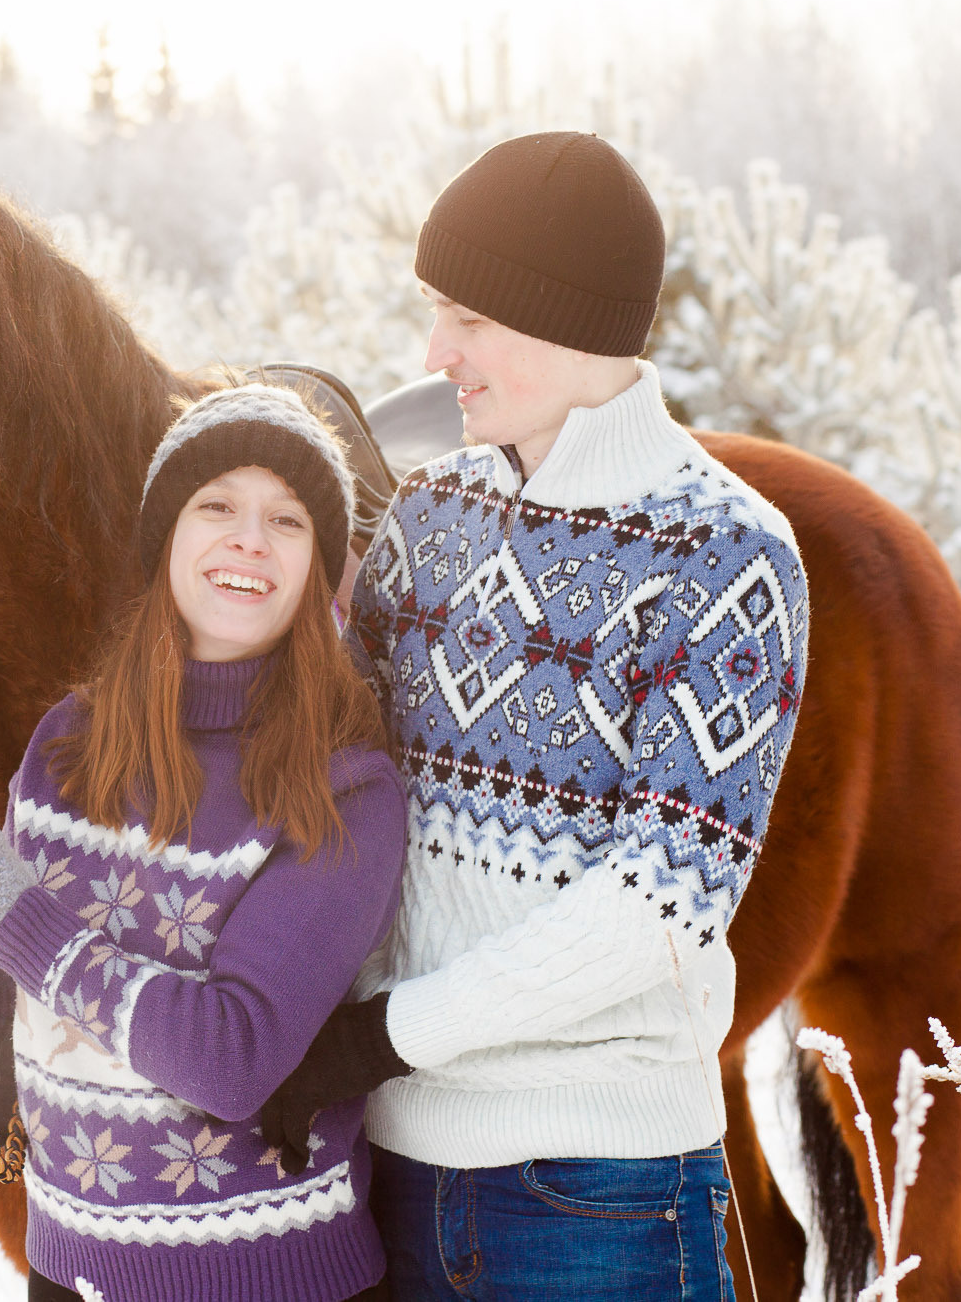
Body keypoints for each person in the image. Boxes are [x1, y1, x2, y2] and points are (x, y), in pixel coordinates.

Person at [254, 132, 812, 1301]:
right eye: (434, 313)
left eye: (466, 316)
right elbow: (318, 776)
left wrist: (379, 1036)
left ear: (566, 320)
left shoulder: (724, 553)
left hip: (599, 1193)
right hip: (391, 1172)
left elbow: (661, 904)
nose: (434, 352)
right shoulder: (428, 516)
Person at [0, 385, 409, 1302]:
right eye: (216, 505)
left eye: (287, 520)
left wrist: (9, 912)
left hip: (271, 1281)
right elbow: (29, 1026)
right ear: (165, 538)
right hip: (69, 1273)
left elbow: (232, 1059)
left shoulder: (345, 786)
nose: (249, 540)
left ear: (316, 566)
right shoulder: (67, 744)